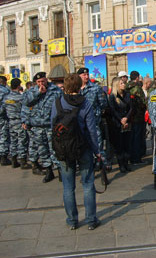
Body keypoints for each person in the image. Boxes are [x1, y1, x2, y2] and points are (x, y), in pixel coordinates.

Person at [51, 73, 101, 230]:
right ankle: (91, 220)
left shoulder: (57, 102)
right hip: (83, 147)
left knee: (68, 187)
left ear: (65, 86)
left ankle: (72, 220)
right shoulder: (85, 103)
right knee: (87, 184)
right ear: (80, 86)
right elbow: (92, 130)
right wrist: (97, 150)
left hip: (64, 149)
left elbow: (52, 125)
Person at [22, 72, 63, 183]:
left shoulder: (55, 90)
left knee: (55, 148)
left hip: (51, 125)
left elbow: (62, 105)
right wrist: (37, 93)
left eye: (43, 81)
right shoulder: (31, 91)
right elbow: (25, 104)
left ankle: (60, 170)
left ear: (46, 80)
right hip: (37, 126)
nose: (41, 83)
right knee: (42, 149)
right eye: (39, 82)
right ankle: (48, 170)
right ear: (36, 82)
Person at [78, 68, 108, 168]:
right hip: (80, 125)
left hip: (94, 123)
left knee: (98, 145)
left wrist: (97, 113)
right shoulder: (76, 89)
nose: (86, 77)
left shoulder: (95, 88)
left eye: (87, 74)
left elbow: (103, 103)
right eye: (84, 75)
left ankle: (103, 166)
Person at [3, 78, 31, 169]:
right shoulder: (21, 97)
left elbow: (2, 109)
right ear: (19, 86)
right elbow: (25, 110)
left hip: (10, 121)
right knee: (22, 141)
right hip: (19, 121)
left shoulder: (6, 97)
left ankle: (14, 160)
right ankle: (23, 161)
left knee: (13, 141)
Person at [108, 77, 133, 173]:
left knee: (127, 144)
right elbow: (113, 110)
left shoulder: (127, 94)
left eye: (124, 83)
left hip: (127, 122)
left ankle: (126, 163)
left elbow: (131, 107)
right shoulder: (113, 97)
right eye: (121, 83)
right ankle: (121, 164)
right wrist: (121, 120)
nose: (124, 84)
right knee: (119, 145)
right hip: (117, 124)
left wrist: (126, 118)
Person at [125, 71, 147, 165]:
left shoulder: (126, 87)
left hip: (129, 116)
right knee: (138, 138)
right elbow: (143, 102)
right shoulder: (137, 88)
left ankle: (130, 157)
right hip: (138, 116)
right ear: (137, 78)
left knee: (131, 138)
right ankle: (137, 159)